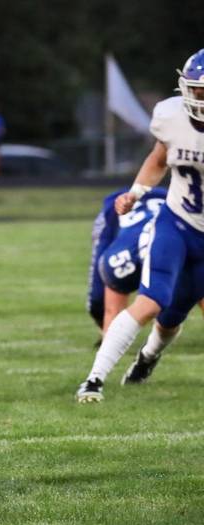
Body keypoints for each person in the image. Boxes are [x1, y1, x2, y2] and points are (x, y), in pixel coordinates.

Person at [76, 49, 204, 402]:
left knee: (172, 319)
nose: (199, 98)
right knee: (151, 301)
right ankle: (94, 379)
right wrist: (136, 192)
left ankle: (147, 358)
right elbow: (159, 158)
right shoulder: (172, 116)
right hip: (176, 223)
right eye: (195, 89)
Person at [87, 186, 167, 333]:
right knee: (98, 302)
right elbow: (112, 310)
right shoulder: (121, 259)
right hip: (117, 208)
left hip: (168, 200)